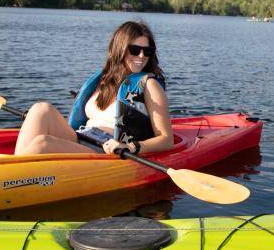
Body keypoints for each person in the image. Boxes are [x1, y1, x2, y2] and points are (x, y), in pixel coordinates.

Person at [14, 20, 173, 156]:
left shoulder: (149, 85)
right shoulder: (103, 79)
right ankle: (11, 168)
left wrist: (130, 147)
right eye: (135, 50)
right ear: (120, 49)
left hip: (105, 151)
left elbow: (166, 140)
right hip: (80, 137)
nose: (141, 56)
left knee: (43, 143)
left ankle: (11, 178)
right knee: (41, 109)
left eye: (147, 51)